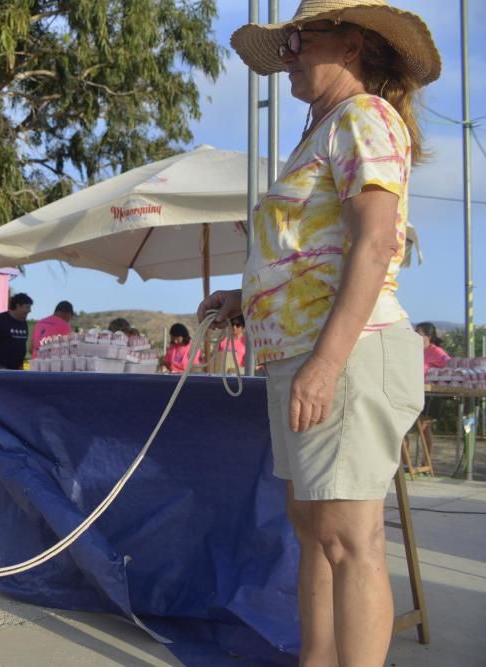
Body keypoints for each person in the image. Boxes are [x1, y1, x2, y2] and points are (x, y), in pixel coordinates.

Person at [201, 4, 436, 663]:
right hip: (309, 354)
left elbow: (375, 241)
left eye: (300, 40)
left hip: (347, 354)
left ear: (353, 43)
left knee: (347, 538)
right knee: (316, 531)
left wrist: (327, 362)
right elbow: (317, 252)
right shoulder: (327, 130)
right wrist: (246, 298)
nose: (290, 55)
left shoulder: (364, 118)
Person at [413, 321, 450, 455]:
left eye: (418, 333)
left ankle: (425, 463)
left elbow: (450, 366)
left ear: (428, 336)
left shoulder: (437, 352)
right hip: (414, 391)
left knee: (424, 427)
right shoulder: (413, 350)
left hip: (431, 393)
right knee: (404, 428)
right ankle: (406, 465)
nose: (415, 335)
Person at [0, 293, 32, 369]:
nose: (30, 310)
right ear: (18, 306)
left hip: (17, 370)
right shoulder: (0, 319)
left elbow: (22, 346)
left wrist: (21, 367)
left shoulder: (24, 323)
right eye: (27, 307)